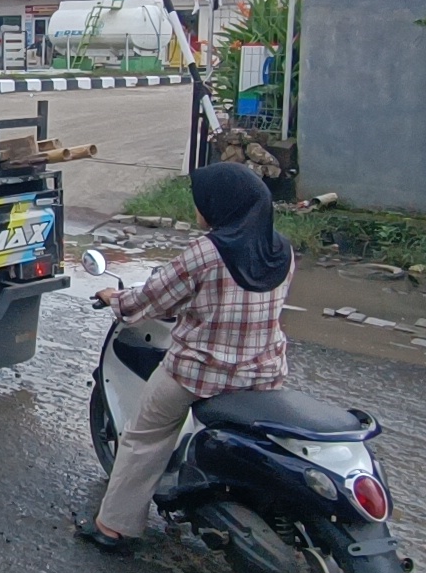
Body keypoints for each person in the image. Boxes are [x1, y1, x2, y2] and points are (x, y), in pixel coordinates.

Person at [79, 162, 294, 550]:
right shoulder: (281, 250)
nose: (197, 209)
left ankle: (114, 527)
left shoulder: (206, 252)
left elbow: (150, 299)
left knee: (144, 437)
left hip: (202, 373)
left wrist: (115, 298)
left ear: (221, 205)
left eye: (201, 201)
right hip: (264, 373)